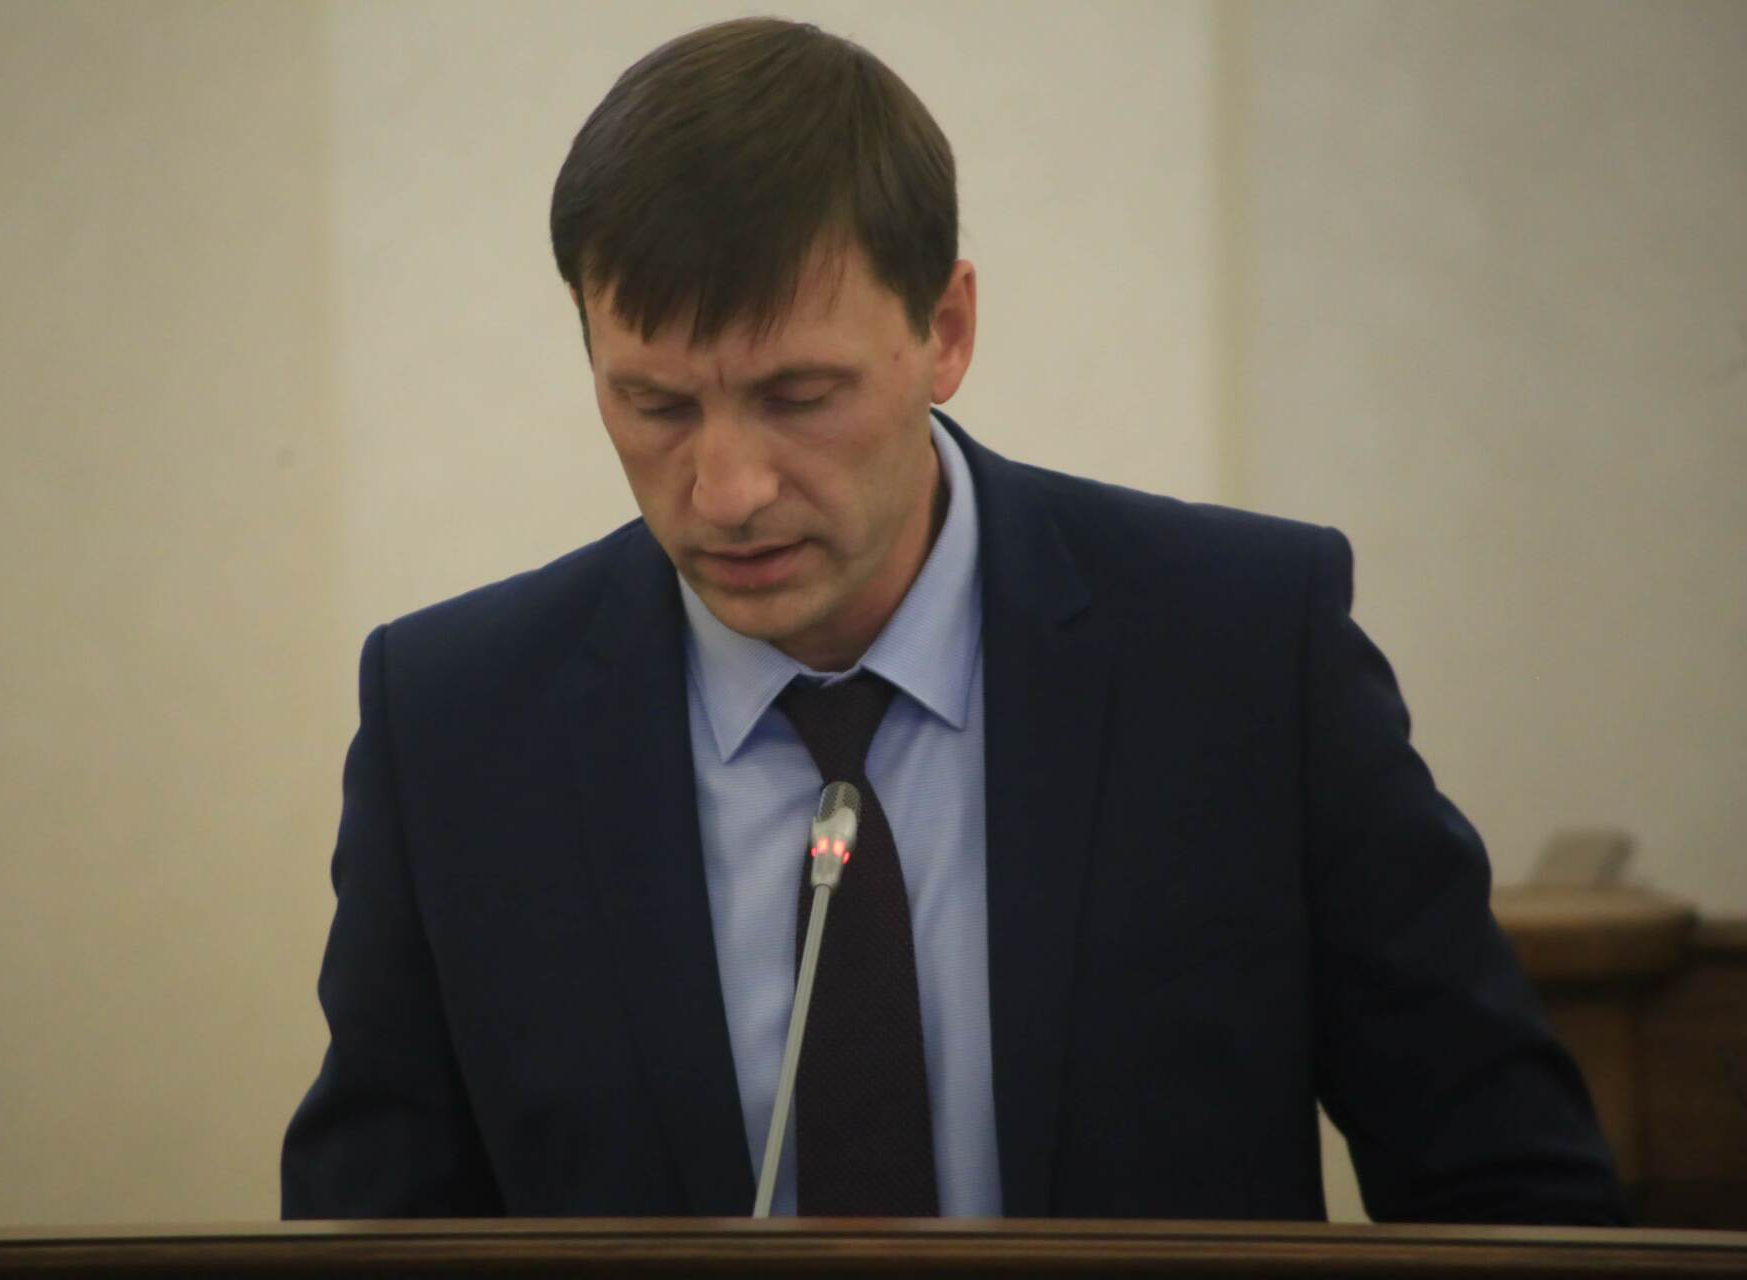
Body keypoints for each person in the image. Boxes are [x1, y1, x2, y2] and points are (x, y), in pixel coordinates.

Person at [280, 17, 1624, 1224]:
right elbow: (369, 1236)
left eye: (799, 397)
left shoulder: (1244, 655)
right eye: (657, 406)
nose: (727, 491)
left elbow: (1509, 1189)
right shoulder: (454, 725)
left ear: (948, 329)